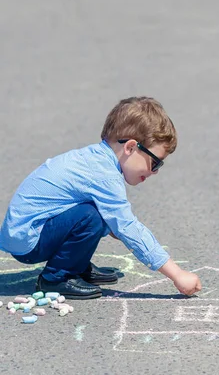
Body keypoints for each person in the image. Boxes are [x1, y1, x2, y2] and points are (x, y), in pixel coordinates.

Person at [0, 96, 202, 299]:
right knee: (91, 216)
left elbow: (115, 224)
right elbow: (126, 226)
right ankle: (56, 278)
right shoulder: (103, 175)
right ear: (130, 148)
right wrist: (177, 274)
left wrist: (115, 227)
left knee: (98, 213)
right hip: (28, 241)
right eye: (155, 163)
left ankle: (75, 264)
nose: (155, 172)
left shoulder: (96, 160)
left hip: (28, 231)